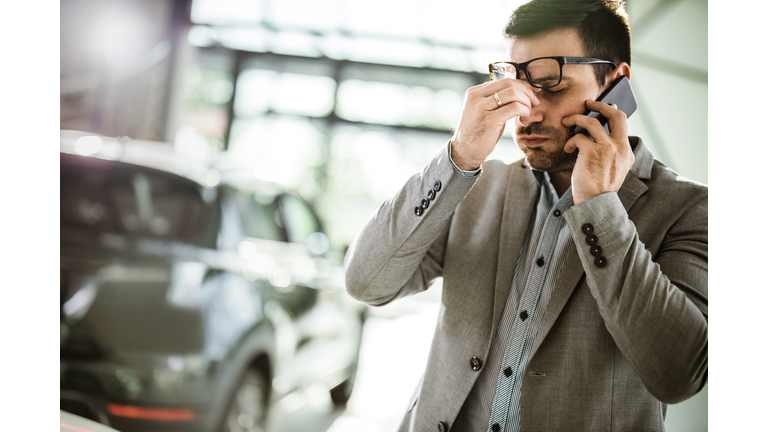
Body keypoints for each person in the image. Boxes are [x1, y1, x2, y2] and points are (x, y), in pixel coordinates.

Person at [343, 0, 708, 431]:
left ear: (616, 82)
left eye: (552, 86)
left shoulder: (690, 209)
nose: (527, 112)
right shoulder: (473, 187)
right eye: (514, 85)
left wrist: (599, 208)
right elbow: (366, 281)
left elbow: (680, 373)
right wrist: (458, 156)